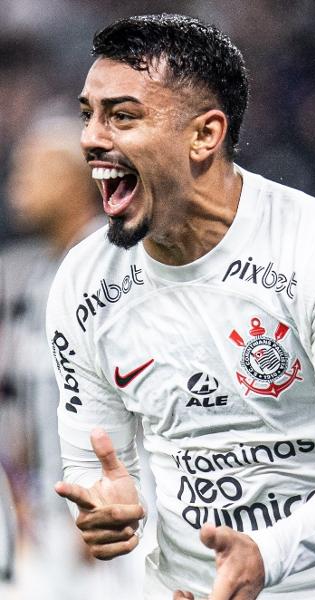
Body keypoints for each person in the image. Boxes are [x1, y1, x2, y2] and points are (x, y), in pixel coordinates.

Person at [46, 13, 315, 600]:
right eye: (89, 114)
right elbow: (97, 470)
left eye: (122, 116)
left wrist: (267, 555)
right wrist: (104, 512)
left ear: (205, 135)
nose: (91, 138)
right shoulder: (84, 284)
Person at [1, 112, 150, 599]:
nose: (16, 182)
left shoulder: (115, 267)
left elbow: (141, 391)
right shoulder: (37, 273)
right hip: (52, 521)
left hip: (116, 523)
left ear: (79, 179)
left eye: (35, 168)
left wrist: (114, 499)